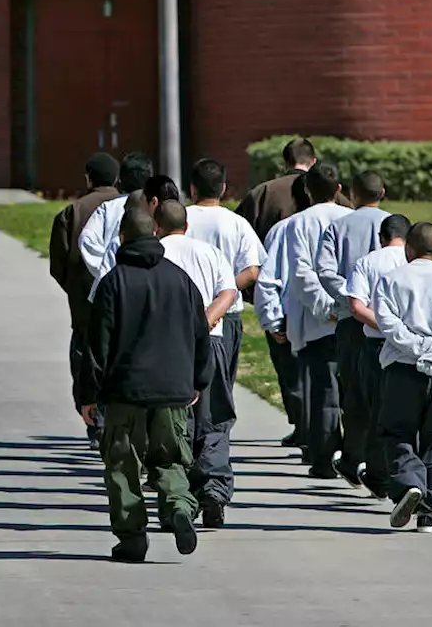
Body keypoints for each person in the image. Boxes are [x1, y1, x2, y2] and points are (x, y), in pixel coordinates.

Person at [80, 208, 213, 563]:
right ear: (155, 234)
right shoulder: (181, 280)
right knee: (169, 459)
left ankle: (132, 538)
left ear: (122, 237)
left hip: (125, 392)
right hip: (173, 391)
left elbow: (97, 347)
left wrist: (88, 396)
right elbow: (201, 335)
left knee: (123, 463)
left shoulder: (113, 282)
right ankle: (180, 507)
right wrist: (198, 380)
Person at [373, 222, 432, 534]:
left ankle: (411, 483)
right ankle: (427, 513)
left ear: (408, 249)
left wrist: (416, 348)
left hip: (402, 369)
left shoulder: (390, 280)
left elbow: (387, 323)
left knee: (397, 432)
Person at [156, 199, 239, 527]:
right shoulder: (208, 253)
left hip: (168, 348)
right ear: (186, 226)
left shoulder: (156, 254)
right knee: (215, 417)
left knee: (177, 422)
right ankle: (215, 491)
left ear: (155, 226)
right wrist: (204, 322)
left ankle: (182, 498)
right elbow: (228, 294)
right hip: (212, 341)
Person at [315, 171, 390, 486]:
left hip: (351, 320)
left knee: (355, 391)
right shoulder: (396, 223)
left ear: (353, 194)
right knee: (385, 392)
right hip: (387, 321)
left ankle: (353, 455)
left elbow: (324, 269)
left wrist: (350, 298)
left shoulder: (338, 226)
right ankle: (378, 460)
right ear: (382, 192)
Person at [284, 163, 354, 478]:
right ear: (339, 190)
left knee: (323, 390)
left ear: (308, 191)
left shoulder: (298, 224)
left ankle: (324, 458)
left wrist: (325, 307)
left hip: (317, 320)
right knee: (353, 389)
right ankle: (354, 454)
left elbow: (300, 274)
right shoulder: (352, 220)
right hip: (354, 315)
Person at [49, 152, 121, 449]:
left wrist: (76, 289)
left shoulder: (72, 212)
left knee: (85, 356)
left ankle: (94, 419)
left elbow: (58, 264)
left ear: (88, 178)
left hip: (85, 304)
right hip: (124, 300)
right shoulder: (133, 206)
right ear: (117, 178)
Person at [345, 213, 412, 500]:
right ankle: (401, 473)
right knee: (406, 413)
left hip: (374, 345)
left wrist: (385, 327)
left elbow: (357, 307)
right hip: (410, 348)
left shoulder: (367, 262)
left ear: (380, 238)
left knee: (374, 411)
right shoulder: (415, 263)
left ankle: (378, 475)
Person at [185, 159, 265, 398]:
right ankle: (216, 433)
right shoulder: (237, 223)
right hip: (226, 313)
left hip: (184, 310)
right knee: (221, 384)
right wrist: (224, 293)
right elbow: (252, 271)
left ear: (192, 189)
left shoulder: (180, 219)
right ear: (223, 188)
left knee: (185, 379)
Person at [254, 210, 309, 452]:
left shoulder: (283, 228)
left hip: (291, 314)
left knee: (294, 380)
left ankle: (308, 431)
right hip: (333, 316)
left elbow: (267, 279)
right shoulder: (344, 220)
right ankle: (314, 433)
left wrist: (273, 320)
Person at [235, 137, 351, 242]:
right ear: (313, 162)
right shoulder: (333, 194)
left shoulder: (262, 193)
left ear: (285, 164)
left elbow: (238, 234)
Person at [79, 152, 155, 300]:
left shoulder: (108, 208)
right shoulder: (155, 206)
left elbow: (86, 239)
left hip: (113, 288)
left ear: (121, 179)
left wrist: (105, 268)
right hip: (151, 285)